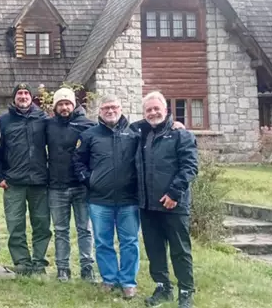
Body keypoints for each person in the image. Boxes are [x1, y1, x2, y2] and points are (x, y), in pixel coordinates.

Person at [73, 94, 141, 299]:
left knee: (129, 242)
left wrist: (175, 124)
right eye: (106, 108)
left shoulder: (134, 133)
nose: (110, 111)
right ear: (99, 111)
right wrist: (89, 180)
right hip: (99, 200)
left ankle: (128, 281)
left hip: (129, 200)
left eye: (114, 107)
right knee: (103, 242)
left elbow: (157, 125)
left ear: (121, 108)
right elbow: (78, 161)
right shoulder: (89, 135)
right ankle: (109, 278)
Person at [136, 91, 198, 308]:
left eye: (156, 108)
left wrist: (174, 193)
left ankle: (186, 292)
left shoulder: (181, 135)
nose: (153, 113)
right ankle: (163, 288)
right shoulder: (143, 134)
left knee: (180, 250)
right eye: (148, 110)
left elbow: (190, 167)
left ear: (166, 110)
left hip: (173, 204)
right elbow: (123, 126)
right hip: (148, 205)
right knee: (155, 250)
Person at [0, 83, 52, 276]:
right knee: (15, 225)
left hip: (39, 182)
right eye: (20, 93)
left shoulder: (43, 119)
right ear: (14, 98)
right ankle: (22, 263)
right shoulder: (4, 121)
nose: (23, 96)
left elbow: (55, 146)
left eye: (26, 93)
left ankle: (39, 263)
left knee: (42, 224)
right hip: (13, 182)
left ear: (31, 97)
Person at [45, 87, 97, 282]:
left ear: (73, 105)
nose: (64, 107)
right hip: (56, 186)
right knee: (61, 230)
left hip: (81, 186)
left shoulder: (88, 125)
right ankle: (63, 268)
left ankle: (87, 267)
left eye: (67, 103)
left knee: (85, 229)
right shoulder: (48, 125)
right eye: (60, 104)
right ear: (55, 107)